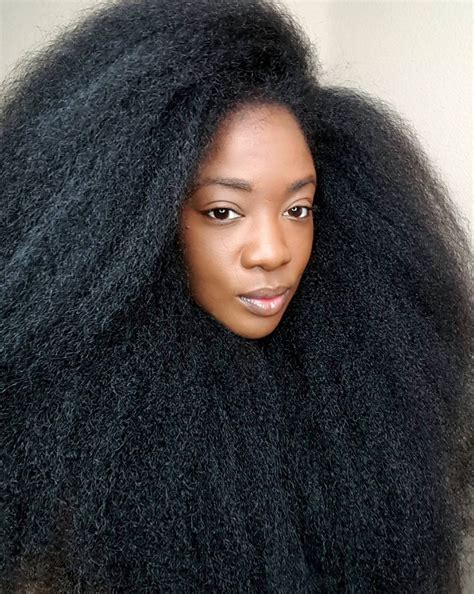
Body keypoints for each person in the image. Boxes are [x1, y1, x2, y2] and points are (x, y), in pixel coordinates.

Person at [1, 0, 472, 592]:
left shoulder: (374, 396)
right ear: (132, 222)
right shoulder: (66, 458)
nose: (273, 251)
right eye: (223, 212)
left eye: (299, 208)